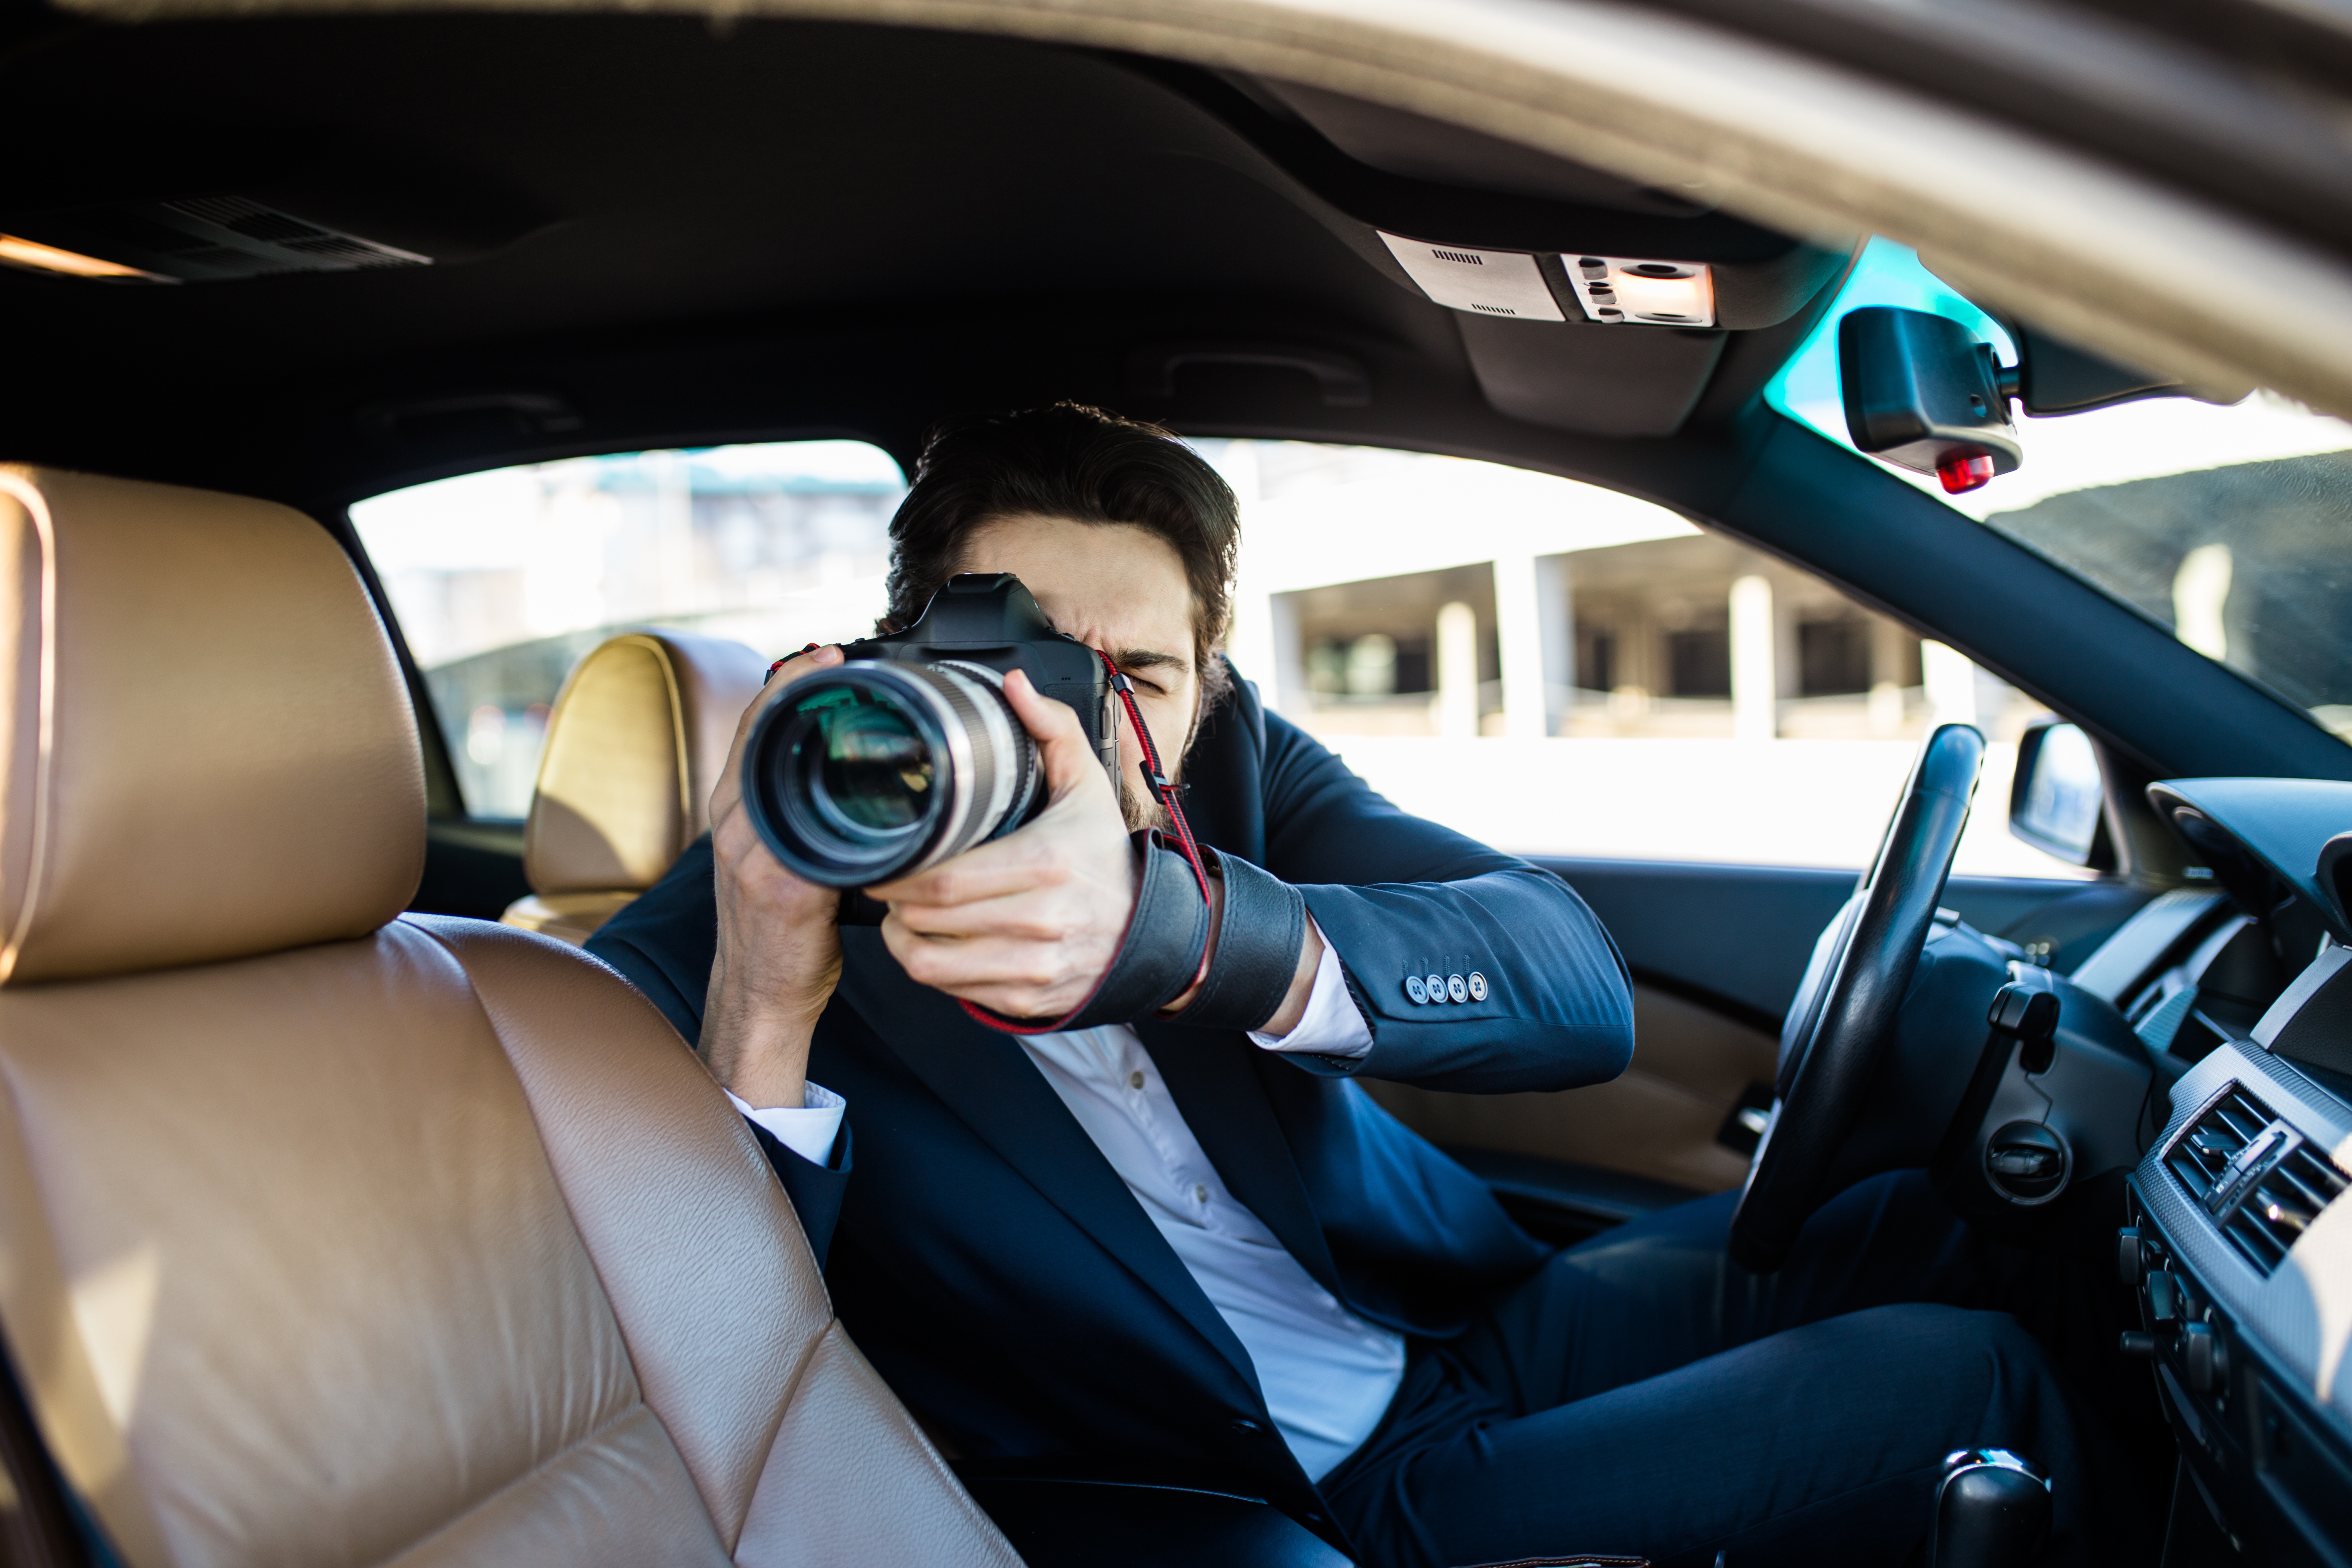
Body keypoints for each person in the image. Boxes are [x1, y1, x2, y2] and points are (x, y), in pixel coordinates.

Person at [589, 404, 2109, 1568]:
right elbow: (717, 1366)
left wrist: (1198, 935)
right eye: (1032, 656)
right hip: (1282, 1485)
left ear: (1207, 698)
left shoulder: (1235, 779)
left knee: (1949, 1215)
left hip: (1462, 1324)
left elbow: (1572, 980)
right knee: (1960, 1379)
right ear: (908, 651)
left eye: (1143, 678)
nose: (1082, 716)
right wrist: (774, 991)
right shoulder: (727, 920)